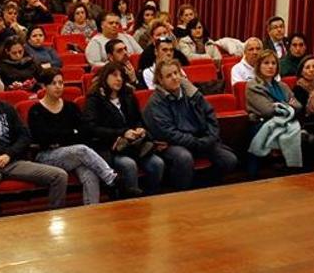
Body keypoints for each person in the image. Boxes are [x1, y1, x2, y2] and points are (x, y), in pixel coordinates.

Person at [0, 64, 68, 219]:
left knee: (59, 176)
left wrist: (9, 154)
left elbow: (25, 136)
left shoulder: (6, 108)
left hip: (11, 161)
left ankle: (56, 219)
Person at [28, 69, 119, 205]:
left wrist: (62, 136)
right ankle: (111, 178)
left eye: (61, 83)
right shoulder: (36, 110)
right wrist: (70, 133)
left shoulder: (71, 107)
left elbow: (83, 132)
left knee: (89, 173)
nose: (58, 86)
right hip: (47, 156)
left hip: (72, 154)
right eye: (53, 83)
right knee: (81, 149)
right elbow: (42, 138)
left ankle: (92, 212)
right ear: (44, 86)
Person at [143, 59, 237, 189]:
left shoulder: (192, 92)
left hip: (200, 139)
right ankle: (183, 192)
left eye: (176, 73)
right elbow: (168, 133)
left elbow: (210, 115)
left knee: (229, 160)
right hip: (173, 144)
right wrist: (197, 143)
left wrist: (210, 137)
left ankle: (205, 187)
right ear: (160, 80)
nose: (175, 78)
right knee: (184, 158)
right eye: (169, 76)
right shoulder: (156, 102)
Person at [82, 61, 164, 195]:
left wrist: (140, 129)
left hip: (134, 145)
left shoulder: (128, 95)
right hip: (110, 147)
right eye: (114, 75)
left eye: (121, 76)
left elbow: (138, 119)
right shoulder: (94, 99)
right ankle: (129, 203)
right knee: (128, 165)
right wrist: (122, 133)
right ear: (105, 77)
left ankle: (150, 197)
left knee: (157, 163)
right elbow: (91, 128)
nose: (119, 79)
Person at [245, 50, 305, 170]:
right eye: (266, 63)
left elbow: (298, 106)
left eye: (273, 63)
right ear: (259, 66)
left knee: (308, 138)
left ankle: (301, 175)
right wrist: (288, 105)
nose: (270, 66)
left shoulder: (283, 86)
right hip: (263, 124)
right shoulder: (252, 86)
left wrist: (279, 105)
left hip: (285, 123)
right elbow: (267, 110)